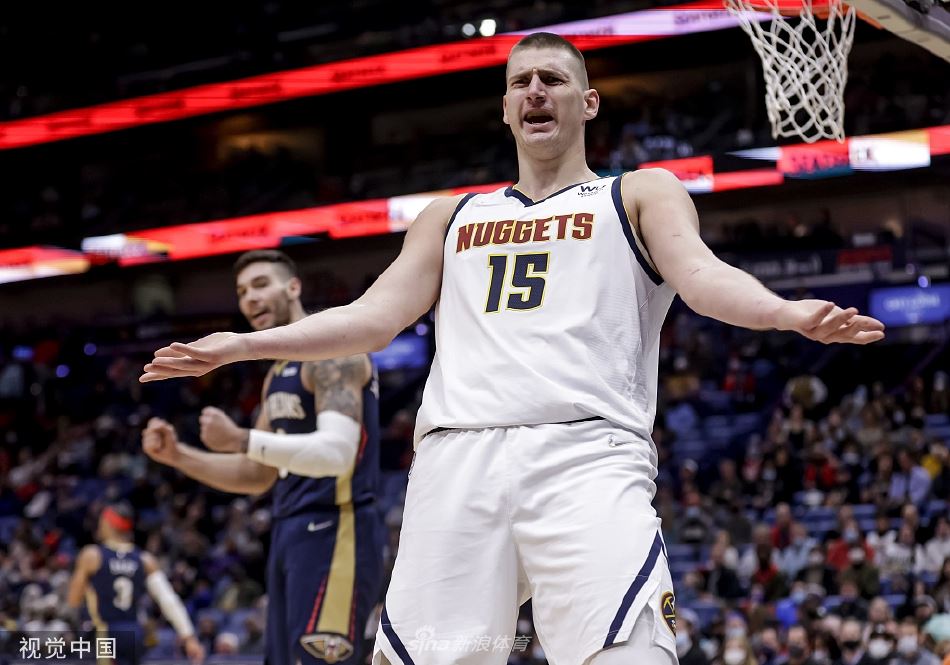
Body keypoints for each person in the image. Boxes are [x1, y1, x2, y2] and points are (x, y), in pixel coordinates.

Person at [139, 32, 886, 665]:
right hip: (456, 460)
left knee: (629, 652)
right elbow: (373, 316)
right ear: (504, 108)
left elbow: (702, 277)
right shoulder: (450, 215)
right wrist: (242, 344)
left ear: (588, 102)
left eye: (553, 79)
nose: (536, 91)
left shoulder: (638, 193)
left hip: (586, 455)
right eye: (521, 82)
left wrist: (785, 312)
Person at [141, 250, 383, 665]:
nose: (249, 298)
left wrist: (241, 437)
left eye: (260, 284)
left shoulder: (335, 350)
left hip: (338, 528)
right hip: (290, 530)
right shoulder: (277, 374)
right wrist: (178, 456)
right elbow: (256, 474)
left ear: (293, 287)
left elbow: (337, 454)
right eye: (241, 292)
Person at [66, 502, 205, 665]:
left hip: (105, 631)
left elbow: (73, 600)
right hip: (134, 632)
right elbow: (169, 601)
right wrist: (188, 636)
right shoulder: (146, 560)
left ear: (108, 524)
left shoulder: (91, 556)